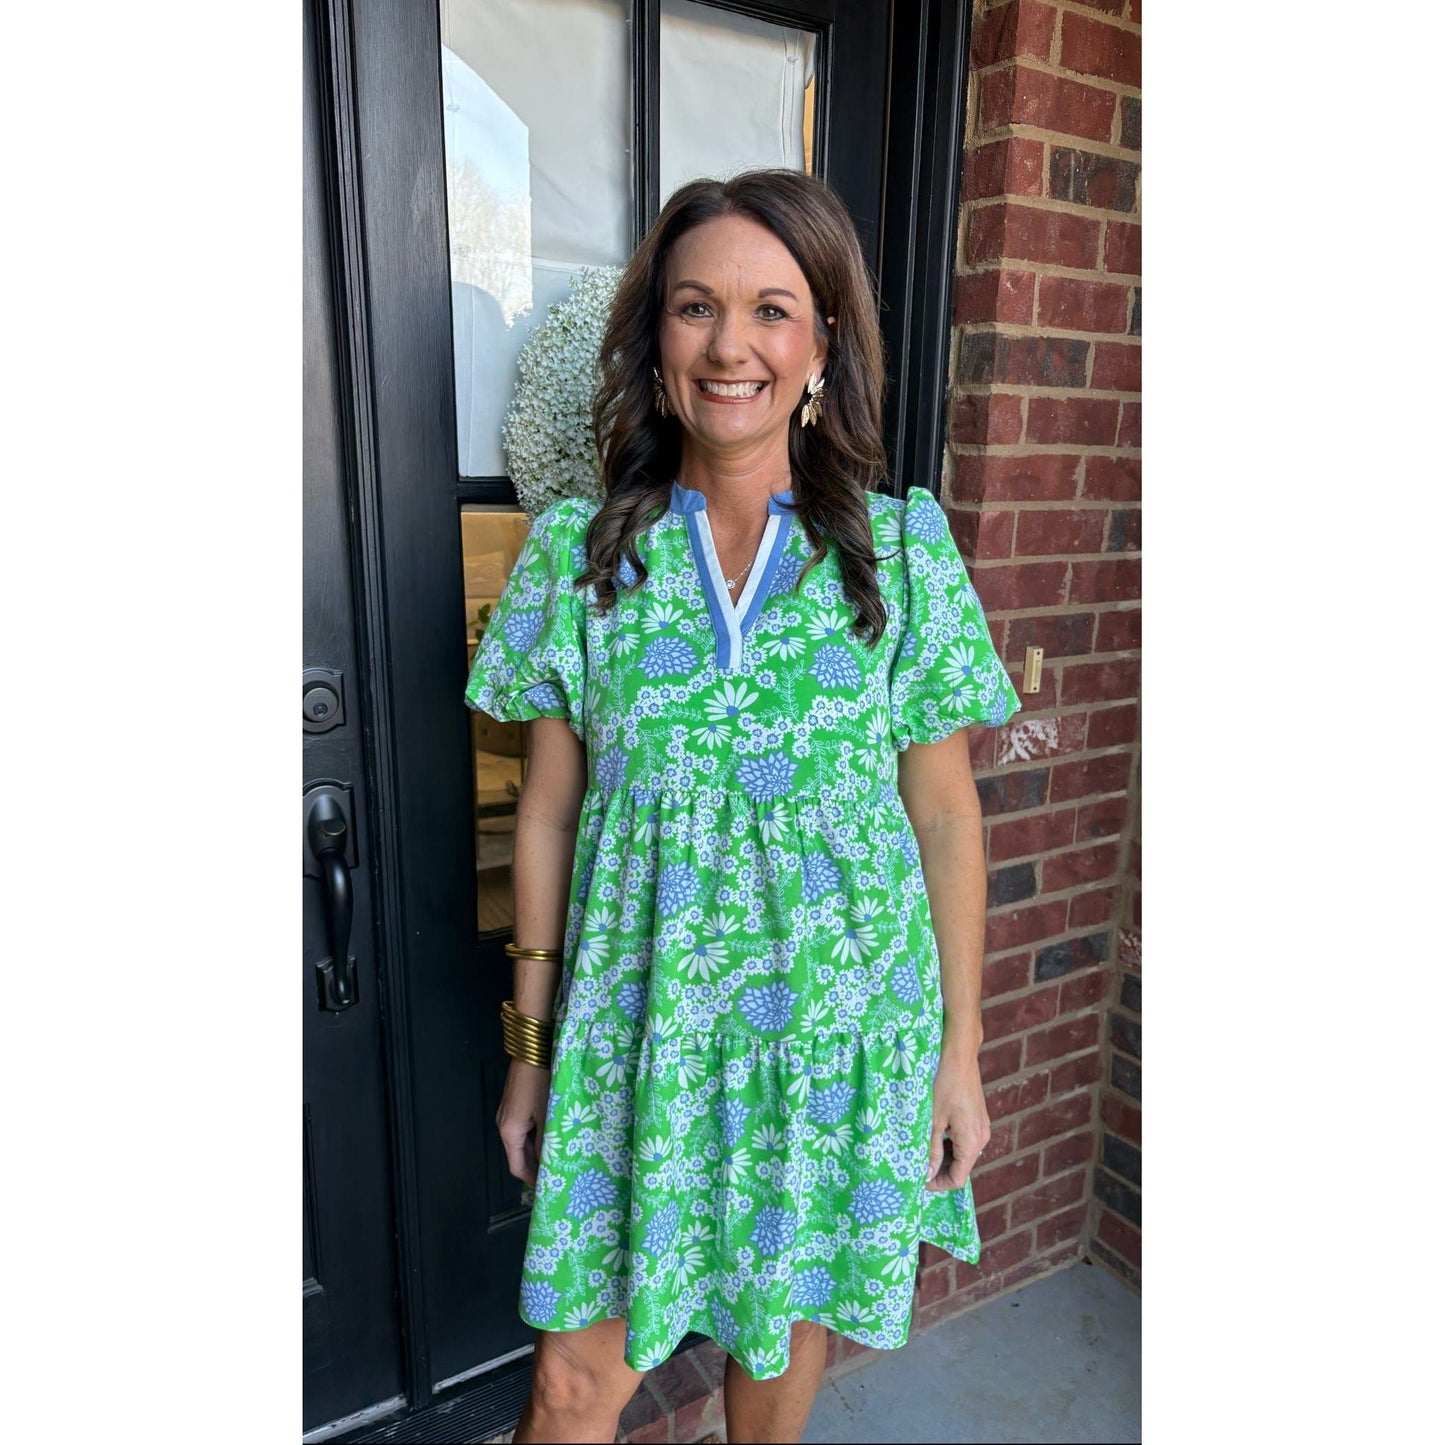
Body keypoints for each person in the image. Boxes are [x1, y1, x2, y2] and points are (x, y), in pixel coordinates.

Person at [465, 168, 1020, 1445]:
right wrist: (530, 1043)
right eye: (693, 308)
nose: (731, 344)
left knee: (775, 1360)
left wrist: (960, 1053)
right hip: (632, 1039)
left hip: (833, 1042)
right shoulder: (578, 558)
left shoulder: (900, 555)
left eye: (771, 310)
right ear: (654, 341)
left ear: (821, 343)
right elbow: (548, 814)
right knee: (569, 1385)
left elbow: (943, 816)